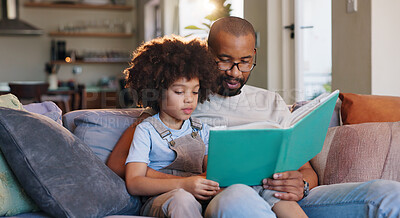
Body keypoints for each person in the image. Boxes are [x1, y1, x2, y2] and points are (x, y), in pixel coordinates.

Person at [108, 17, 400, 217]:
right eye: (225, 60)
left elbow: (306, 169)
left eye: (245, 62)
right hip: (229, 197)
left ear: (253, 56)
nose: (236, 72)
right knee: (239, 197)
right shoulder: (180, 101)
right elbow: (121, 165)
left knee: (387, 194)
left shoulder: (270, 101)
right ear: (205, 54)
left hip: (279, 196)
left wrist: (302, 183)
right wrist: (188, 180)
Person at [123, 35, 308, 217]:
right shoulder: (146, 129)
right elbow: (134, 182)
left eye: (195, 92)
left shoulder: (201, 129)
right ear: (156, 91)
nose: (189, 99)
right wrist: (183, 184)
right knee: (182, 199)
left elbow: (212, 173)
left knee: (256, 192)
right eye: (179, 92)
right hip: (162, 198)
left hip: (197, 197)